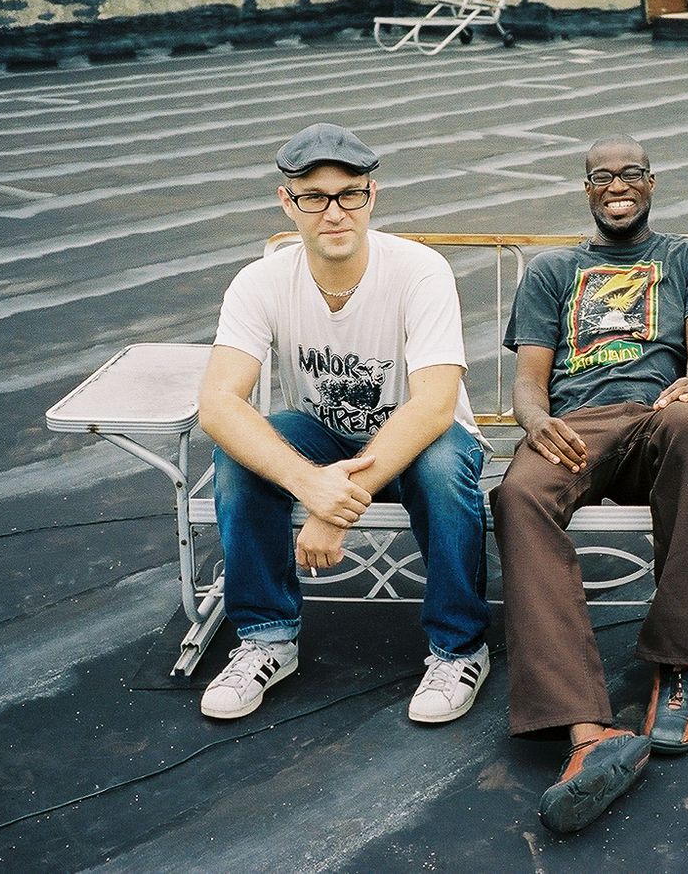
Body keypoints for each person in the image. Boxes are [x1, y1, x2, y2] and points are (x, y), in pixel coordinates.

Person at [196, 123, 491, 724]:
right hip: (324, 440)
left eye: (349, 194)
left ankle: (458, 649)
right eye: (314, 197)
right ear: (287, 202)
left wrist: (332, 508)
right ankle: (267, 639)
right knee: (239, 452)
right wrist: (310, 483)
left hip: (421, 443)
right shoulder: (260, 282)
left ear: (371, 195)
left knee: (441, 464)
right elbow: (219, 403)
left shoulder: (419, 270)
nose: (334, 213)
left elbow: (434, 404)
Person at [491, 135, 688, 834]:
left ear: (652, 183)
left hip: (659, 416)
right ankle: (585, 728)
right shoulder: (553, 270)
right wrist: (535, 421)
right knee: (518, 496)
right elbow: (530, 378)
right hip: (577, 427)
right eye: (602, 176)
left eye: (631, 174)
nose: (617, 185)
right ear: (587, 189)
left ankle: (677, 664)